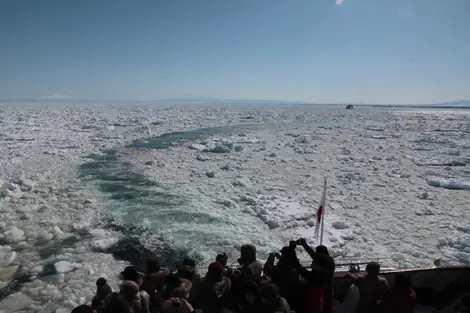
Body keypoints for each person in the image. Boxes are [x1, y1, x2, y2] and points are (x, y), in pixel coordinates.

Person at [284, 242, 327, 313]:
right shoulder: (323, 273)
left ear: (319, 266)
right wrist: (304, 245)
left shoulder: (315, 276)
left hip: (311, 306)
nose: (311, 265)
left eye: (313, 263)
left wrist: (291, 252)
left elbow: (301, 270)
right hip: (317, 304)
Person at [298, 239, 335, 313]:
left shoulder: (317, 275)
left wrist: (294, 260)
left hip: (317, 298)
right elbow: (314, 256)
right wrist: (305, 245)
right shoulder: (329, 261)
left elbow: (306, 273)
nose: (312, 265)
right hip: (328, 292)